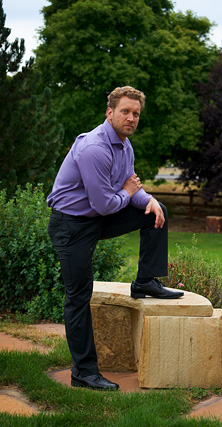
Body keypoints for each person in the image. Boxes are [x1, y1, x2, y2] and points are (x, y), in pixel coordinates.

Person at [47, 86, 183, 391]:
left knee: (155, 212)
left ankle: (145, 281)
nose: (131, 118)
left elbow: (129, 187)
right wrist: (131, 192)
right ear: (110, 113)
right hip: (71, 226)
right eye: (125, 111)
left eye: (136, 113)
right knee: (78, 296)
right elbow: (106, 203)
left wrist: (147, 199)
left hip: (96, 218)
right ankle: (83, 372)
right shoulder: (95, 148)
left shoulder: (125, 146)